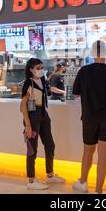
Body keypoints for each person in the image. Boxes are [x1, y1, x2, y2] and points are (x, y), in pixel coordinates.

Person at [72, 41, 106, 194]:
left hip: (89, 117)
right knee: (103, 154)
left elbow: (76, 93)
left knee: (87, 151)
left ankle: (82, 182)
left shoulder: (84, 71)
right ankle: (98, 190)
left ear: (91, 53)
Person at [20, 58, 65, 190]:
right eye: (38, 68)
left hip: (43, 113)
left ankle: (50, 175)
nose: (40, 70)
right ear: (31, 70)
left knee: (50, 144)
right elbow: (23, 105)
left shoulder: (43, 80)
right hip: (32, 116)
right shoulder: (28, 83)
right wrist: (27, 125)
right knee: (32, 149)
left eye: (41, 67)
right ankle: (31, 180)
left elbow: (50, 89)